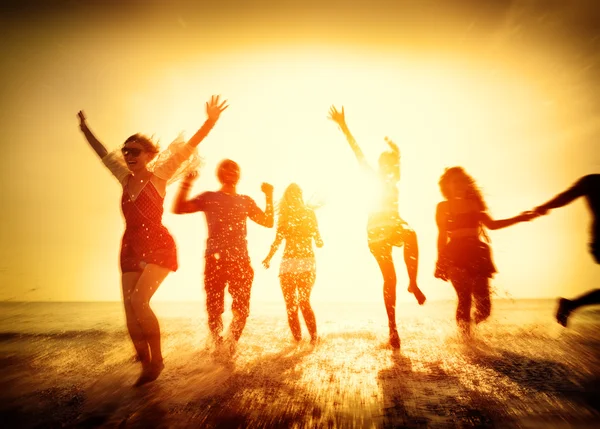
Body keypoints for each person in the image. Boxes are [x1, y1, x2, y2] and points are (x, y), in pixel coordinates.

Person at [77, 95, 228, 386]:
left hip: (157, 243)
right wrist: (85, 129)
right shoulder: (124, 177)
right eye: (126, 151)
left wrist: (210, 121)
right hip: (130, 246)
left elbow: (189, 148)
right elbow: (102, 154)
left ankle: (157, 360)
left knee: (139, 300)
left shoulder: (159, 175)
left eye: (134, 151)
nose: (128, 155)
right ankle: (144, 364)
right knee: (128, 309)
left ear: (148, 154)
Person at [328, 105, 425, 349]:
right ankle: (393, 328)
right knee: (389, 278)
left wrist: (396, 152)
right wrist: (344, 126)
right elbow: (357, 152)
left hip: (394, 225)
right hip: (375, 232)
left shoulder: (394, 180)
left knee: (411, 233)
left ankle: (413, 283)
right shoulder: (373, 176)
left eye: (390, 165)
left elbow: (397, 164)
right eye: (384, 164)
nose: (387, 168)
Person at [173, 160, 274, 352]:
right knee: (214, 310)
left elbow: (268, 222)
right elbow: (179, 208)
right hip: (215, 260)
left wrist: (269, 196)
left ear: (239, 175)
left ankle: (230, 346)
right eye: (225, 169)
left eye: (234, 169)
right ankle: (217, 345)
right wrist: (186, 184)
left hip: (241, 261)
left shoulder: (245, 201)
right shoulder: (209, 197)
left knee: (242, 310)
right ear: (219, 174)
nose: (230, 172)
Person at [435, 167, 536, 335]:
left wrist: (520, 218)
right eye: (455, 181)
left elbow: (492, 225)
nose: (459, 184)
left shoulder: (474, 204)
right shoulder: (443, 207)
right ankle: (465, 340)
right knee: (464, 298)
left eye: (462, 180)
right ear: (447, 186)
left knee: (485, 308)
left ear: (467, 184)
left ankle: (471, 328)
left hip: (477, 252)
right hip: (454, 253)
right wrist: (440, 261)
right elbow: (441, 235)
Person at [533, 174, 600, 327]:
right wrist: (545, 206)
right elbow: (566, 196)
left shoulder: (591, 181)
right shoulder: (592, 181)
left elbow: (566, 196)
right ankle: (571, 304)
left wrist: (545, 207)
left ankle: (571, 304)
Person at [262, 183, 324, 344]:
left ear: (301, 196)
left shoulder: (309, 214)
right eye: (292, 194)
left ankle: (314, 340)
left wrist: (316, 237)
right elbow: (277, 240)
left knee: (304, 301)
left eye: (298, 193)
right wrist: (268, 257)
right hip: (288, 263)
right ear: (287, 197)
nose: (295, 196)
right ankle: (297, 343)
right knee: (291, 305)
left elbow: (318, 240)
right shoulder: (285, 216)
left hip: (306, 262)